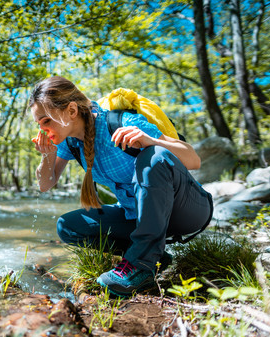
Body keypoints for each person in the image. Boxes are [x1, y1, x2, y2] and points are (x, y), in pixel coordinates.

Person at [29, 76, 213, 297]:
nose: (42, 129)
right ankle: (153, 255)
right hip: (138, 216)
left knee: (154, 156)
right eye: (38, 123)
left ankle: (140, 265)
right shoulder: (70, 142)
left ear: (71, 111)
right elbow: (45, 184)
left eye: (46, 120)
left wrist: (151, 140)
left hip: (187, 211)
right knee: (67, 226)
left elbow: (194, 160)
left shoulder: (123, 122)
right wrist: (47, 156)